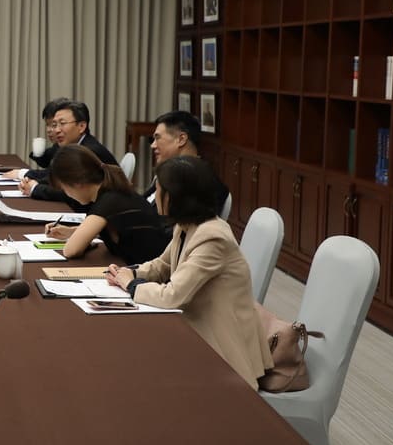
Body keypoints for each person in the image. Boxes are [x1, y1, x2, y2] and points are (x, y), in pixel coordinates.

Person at [105, 156, 273, 390]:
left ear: (175, 196)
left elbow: (173, 295)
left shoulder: (212, 237)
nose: (155, 194)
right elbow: (162, 265)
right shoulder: (186, 225)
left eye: (160, 189)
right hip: (196, 326)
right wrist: (130, 273)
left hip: (221, 348)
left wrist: (131, 286)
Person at [44, 145, 169, 263]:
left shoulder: (108, 201)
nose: (66, 194)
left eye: (64, 188)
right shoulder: (111, 192)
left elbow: (71, 250)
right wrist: (72, 232)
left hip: (156, 273)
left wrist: (76, 237)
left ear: (77, 183)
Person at [6, 101, 119, 211]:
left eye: (62, 123)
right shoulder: (71, 147)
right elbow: (57, 177)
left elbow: (75, 193)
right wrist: (32, 183)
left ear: (81, 126)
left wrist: (35, 189)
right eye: (55, 125)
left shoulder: (89, 151)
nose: (56, 130)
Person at [145, 110, 228, 216]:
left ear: (181, 139)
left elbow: (181, 224)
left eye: (158, 138)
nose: (153, 145)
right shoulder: (169, 172)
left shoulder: (204, 183)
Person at [27, 97, 72, 169]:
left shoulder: (85, 150)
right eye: (47, 125)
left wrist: (23, 173)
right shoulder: (57, 146)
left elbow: (52, 174)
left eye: (53, 125)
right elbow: (46, 162)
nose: (48, 130)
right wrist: (38, 153)